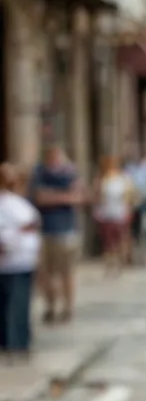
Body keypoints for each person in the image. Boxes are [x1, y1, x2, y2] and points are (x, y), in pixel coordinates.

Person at [30, 145, 84, 324]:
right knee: (46, 273)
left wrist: (54, 196)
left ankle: (68, 307)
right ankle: (51, 306)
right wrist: (64, 196)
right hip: (45, 230)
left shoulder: (70, 173)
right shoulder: (39, 173)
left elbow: (77, 197)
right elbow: (40, 197)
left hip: (66, 231)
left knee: (67, 272)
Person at [0, 163, 41, 357]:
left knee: (13, 303)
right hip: (14, 260)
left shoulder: (17, 203)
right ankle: (13, 342)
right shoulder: (12, 203)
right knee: (12, 304)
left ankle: (14, 341)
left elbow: (29, 226)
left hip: (19, 260)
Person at [93, 156, 134, 273]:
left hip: (120, 213)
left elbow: (129, 196)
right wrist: (97, 210)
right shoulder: (101, 179)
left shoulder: (123, 178)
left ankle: (120, 260)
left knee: (120, 238)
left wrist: (128, 210)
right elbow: (97, 196)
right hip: (106, 213)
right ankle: (110, 262)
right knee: (108, 240)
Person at [125, 149, 146, 264]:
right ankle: (136, 254)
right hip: (135, 204)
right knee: (136, 231)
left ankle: (145, 253)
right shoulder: (130, 169)